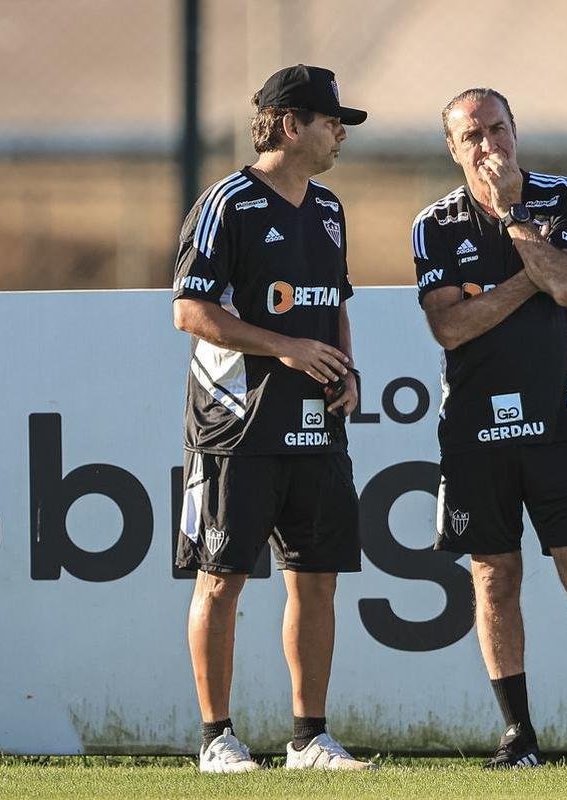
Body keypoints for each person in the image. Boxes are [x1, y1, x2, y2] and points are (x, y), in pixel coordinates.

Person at [411, 87, 567, 770]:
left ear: (515, 130)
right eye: (472, 136)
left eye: (497, 129)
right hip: (474, 430)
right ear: (453, 148)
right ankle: (518, 736)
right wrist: (535, 275)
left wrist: (512, 217)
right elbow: (450, 327)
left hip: (560, 422)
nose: (488, 145)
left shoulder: (564, 197)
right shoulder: (433, 224)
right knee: (494, 578)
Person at [171, 64, 375, 773]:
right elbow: (190, 311)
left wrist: (347, 371)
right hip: (236, 426)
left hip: (316, 428)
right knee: (221, 578)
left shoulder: (329, 209)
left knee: (316, 578)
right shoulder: (226, 203)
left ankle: (309, 739)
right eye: (331, 121)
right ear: (290, 124)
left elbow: (335, 300)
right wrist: (282, 346)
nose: (340, 133)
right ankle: (216, 739)